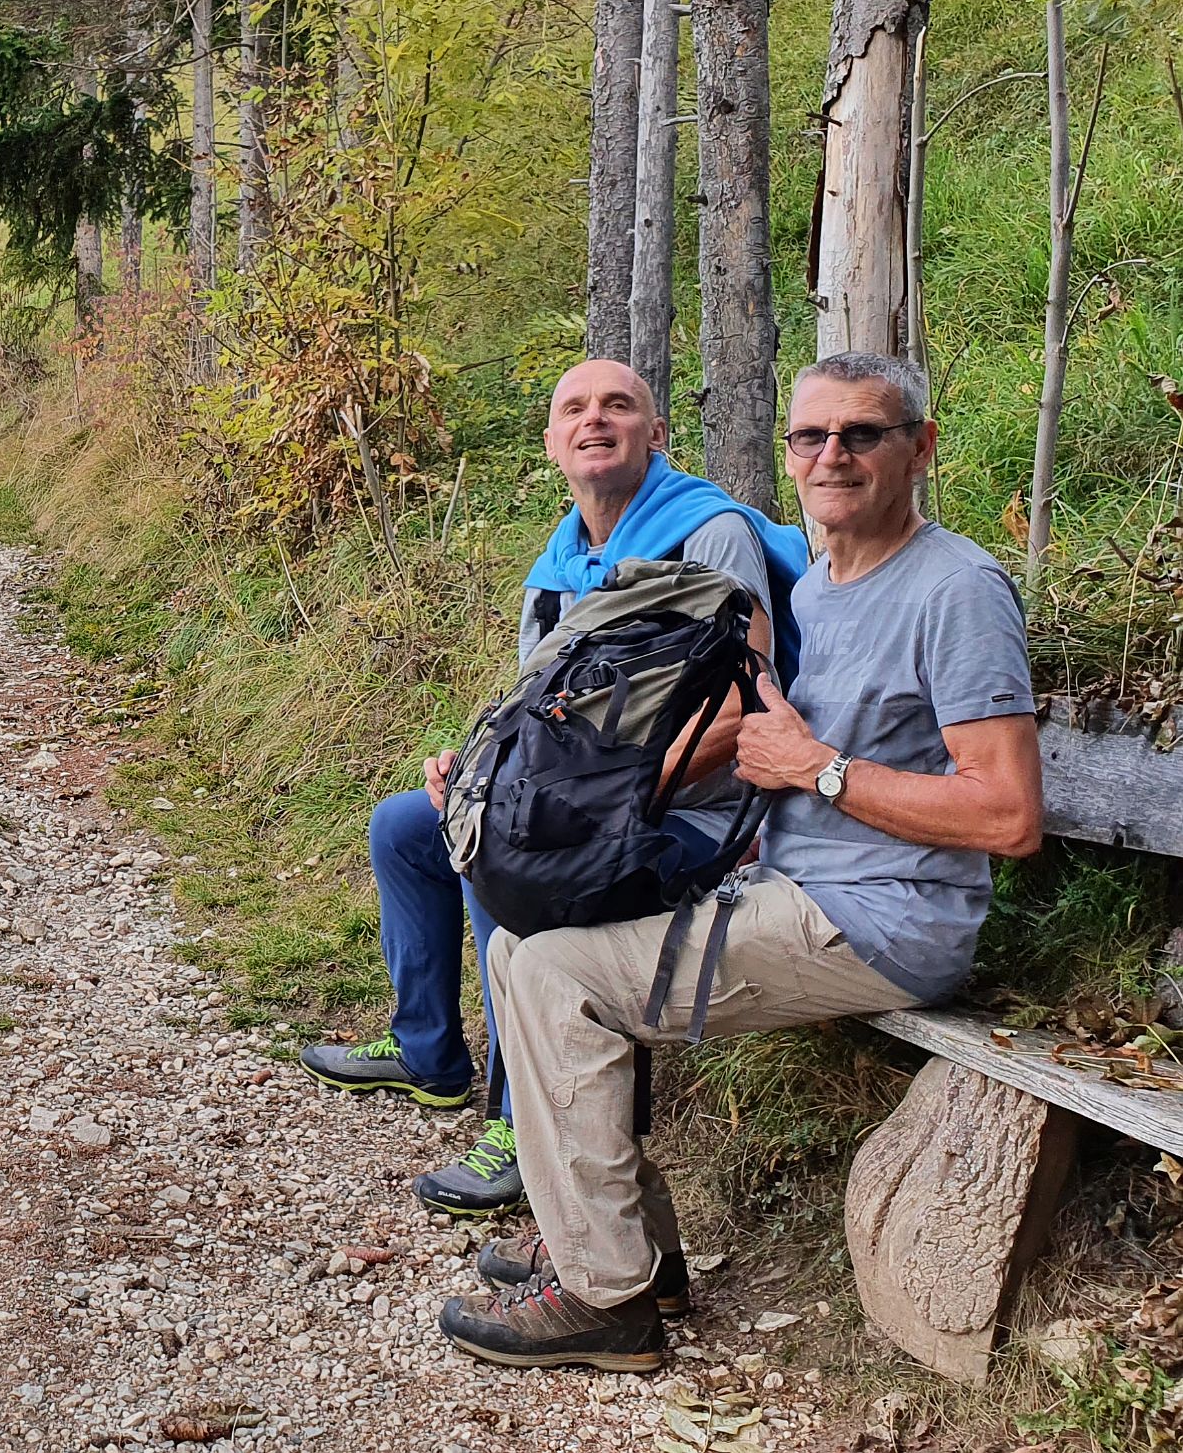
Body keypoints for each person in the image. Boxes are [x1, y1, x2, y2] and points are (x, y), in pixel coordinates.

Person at [438, 352, 1046, 1371]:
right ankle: (638, 1252)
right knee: (526, 943)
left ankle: (605, 1297)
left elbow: (1011, 815)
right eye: (810, 437)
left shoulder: (957, 589)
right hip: (788, 886)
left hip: (886, 918)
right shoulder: (824, 588)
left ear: (920, 449)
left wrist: (823, 771)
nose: (832, 457)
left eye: (863, 435)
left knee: (555, 977)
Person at [299, 358, 805, 1217]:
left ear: (655, 433)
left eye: (618, 405)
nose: (594, 420)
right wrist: (477, 773)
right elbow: (531, 712)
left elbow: (747, 703)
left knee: (518, 850)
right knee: (406, 829)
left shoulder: (706, 534)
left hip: (704, 819)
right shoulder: (559, 561)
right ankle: (427, 1054)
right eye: (574, 408)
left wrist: (602, 800)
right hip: (591, 806)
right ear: (551, 443)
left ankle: (518, 1122)